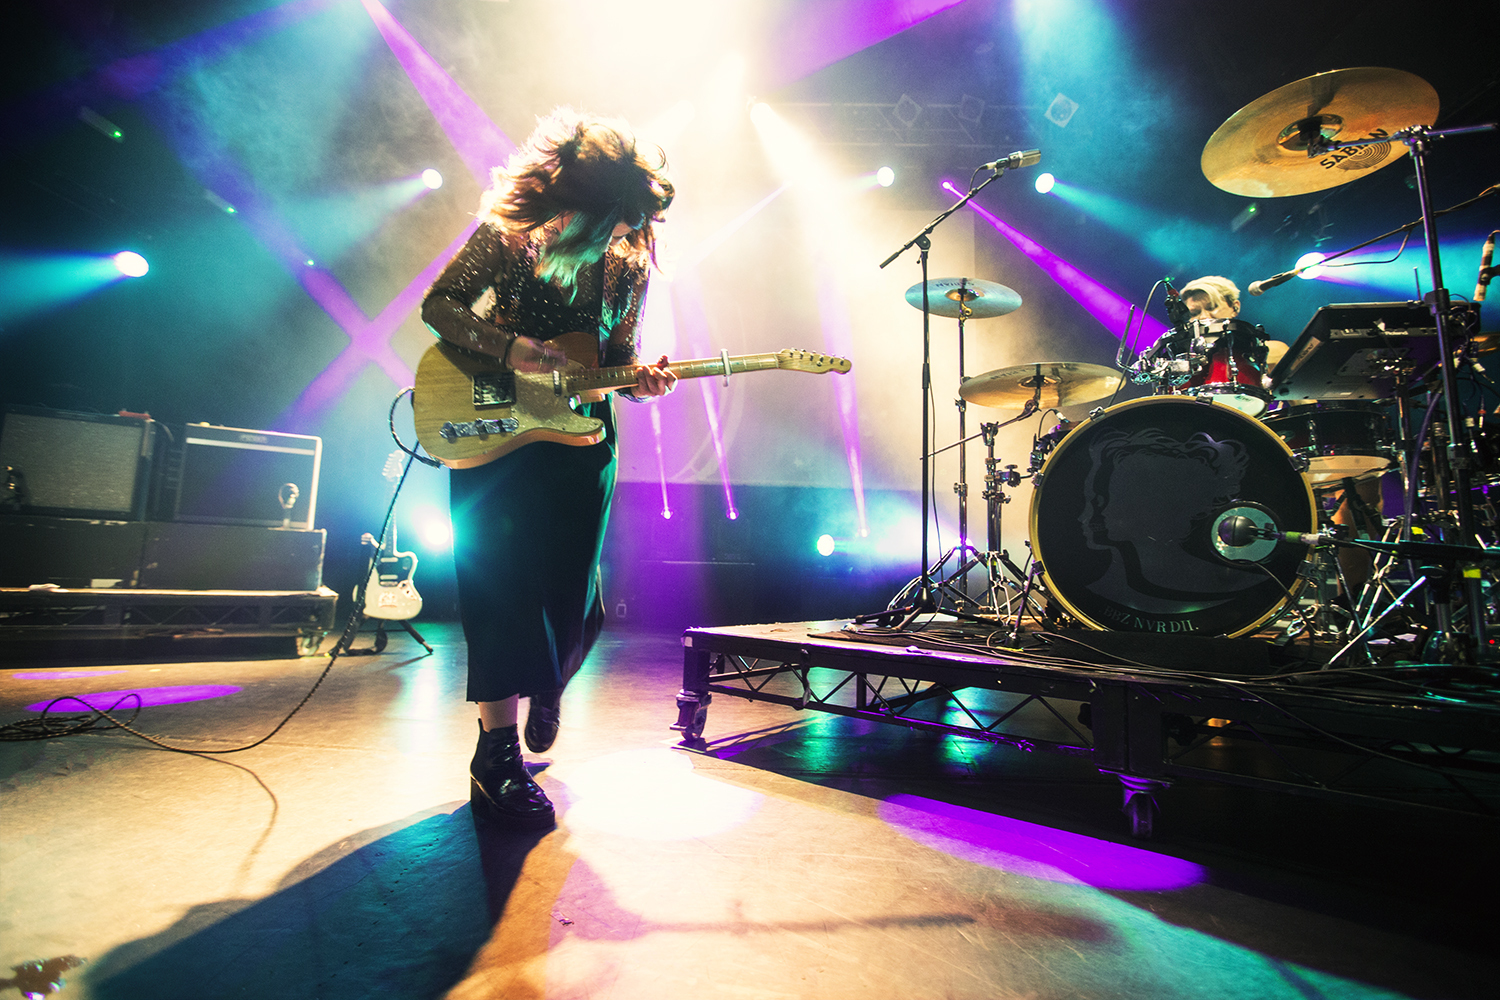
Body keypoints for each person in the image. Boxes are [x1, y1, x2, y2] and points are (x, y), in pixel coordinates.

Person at [421, 108, 676, 830]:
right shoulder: (513, 237)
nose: (629, 232)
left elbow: (615, 358)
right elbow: (439, 306)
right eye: (618, 219)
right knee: (499, 586)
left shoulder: (630, 257)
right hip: (496, 431)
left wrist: (639, 379)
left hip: (583, 439)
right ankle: (495, 754)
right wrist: (512, 351)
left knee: (574, 601)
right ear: (586, 207)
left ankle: (550, 682)